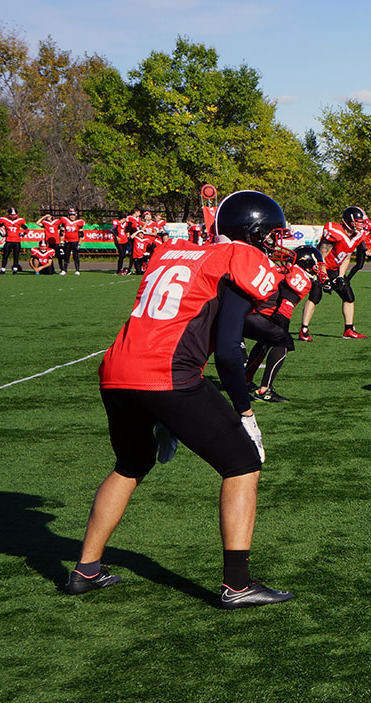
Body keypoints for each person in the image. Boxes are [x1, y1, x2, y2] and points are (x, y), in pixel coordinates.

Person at [66, 189, 296, 608]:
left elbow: (205, 312)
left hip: (117, 371)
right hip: (168, 375)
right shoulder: (240, 258)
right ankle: (238, 585)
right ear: (253, 231)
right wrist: (245, 412)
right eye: (270, 234)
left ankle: (86, 569)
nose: (274, 243)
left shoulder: (175, 252)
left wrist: (270, 332)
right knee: (243, 463)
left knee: (131, 463)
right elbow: (227, 349)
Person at [245, 244, 318, 403]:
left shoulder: (286, 270)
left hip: (246, 312)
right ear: (307, 264)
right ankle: (265, 390)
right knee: (282, 341)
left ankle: (245, 380)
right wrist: (281, 333)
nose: (320, 268)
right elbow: (284, 308)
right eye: (318, 264)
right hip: (253, 316)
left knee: (265, 341)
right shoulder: (301, 278)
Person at [298, 206, 367, 340]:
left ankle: (349, 329)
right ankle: (304, 330)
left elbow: (346, 256)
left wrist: (341, 276)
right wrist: (324, 278)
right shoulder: (335, 232)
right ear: (348, 221)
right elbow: (322, 255)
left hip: (335, 269)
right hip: (318, 268)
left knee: (348, 296)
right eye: (358, 221)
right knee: (315, 297)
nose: (361, 225)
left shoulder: (358, 236)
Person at [346, 210, 371, 289]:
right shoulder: (369, 225)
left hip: (370, 248)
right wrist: (365, 250)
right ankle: (347, 280)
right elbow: (362, 236)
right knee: (359, 266)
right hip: (362, 246)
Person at [58, 208, 86, 275]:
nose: (72, 216)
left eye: (73, 215)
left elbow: (81, 234)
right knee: (66, 256)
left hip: (75, 241)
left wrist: (79, 243)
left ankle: (77, 270)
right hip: (67, 241)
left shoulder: (79, 222)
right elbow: (61, 233)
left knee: (75, 256)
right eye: (70, 215)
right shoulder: (65, 222)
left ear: (75, 215)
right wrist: (61, 242)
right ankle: (64, 270)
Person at [0, 207, 25, 273]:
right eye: (12, 215)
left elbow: (26, 229)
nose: (13, 216)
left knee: (16, 256)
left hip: (17, 241)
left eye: (15, 214)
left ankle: (15, 269)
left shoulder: (20, 220)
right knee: (5, 255)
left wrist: (23, 233)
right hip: (8, 240)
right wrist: (2, 233)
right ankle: (3, 269)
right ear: (9, 214)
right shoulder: (4, 220)